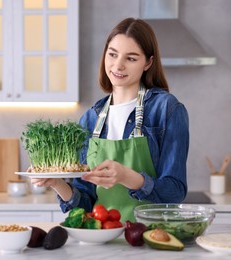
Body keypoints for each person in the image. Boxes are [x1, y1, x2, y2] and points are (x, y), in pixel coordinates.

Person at [31, 17, 189, 222]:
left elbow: (175, 192)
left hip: (152, 238)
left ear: (148, 62)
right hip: (102, 237)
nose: (118, 65)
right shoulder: (90, 118)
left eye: (131, 58)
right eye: (112, 54)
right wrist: (56, 183)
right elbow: (84, 202)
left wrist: (128, 177)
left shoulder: (166, 109)